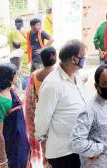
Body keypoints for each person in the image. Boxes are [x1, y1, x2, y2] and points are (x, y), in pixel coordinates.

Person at [34, 39, 87, 168]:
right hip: (63, 153)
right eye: (83, 56)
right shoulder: (52, 84)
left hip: (79, 147)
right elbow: (42, 119)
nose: (85, 59)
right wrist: (43, 142)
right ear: (74, 59)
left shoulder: (76, 76)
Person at [69, 65, 107, 168]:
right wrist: (98, 148)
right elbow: (75, 142)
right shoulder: (90, 109)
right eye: (105, 84)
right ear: (96, 86)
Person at [0, 63, 29, 168]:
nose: (17, 77)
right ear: (10, 77)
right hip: (8, 148)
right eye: (16, 74)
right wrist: (3, 160)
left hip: (18, 143)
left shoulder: (9, 89)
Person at [24, 46, 57, 167]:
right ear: (56, 58)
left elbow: (30, 104)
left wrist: (34, 126)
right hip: (58, 119)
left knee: (46, 151)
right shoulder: (60, 74)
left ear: (42, 60)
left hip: (42, 119)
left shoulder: (35, 76)